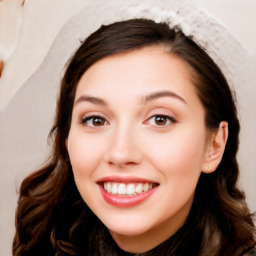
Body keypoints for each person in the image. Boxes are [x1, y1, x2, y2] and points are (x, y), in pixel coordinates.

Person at [13, 18, 255, 256]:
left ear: (214, 145)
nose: (120, 153)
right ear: (67, 142)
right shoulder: (40, 245)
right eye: (96, 120)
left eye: (160, 119)